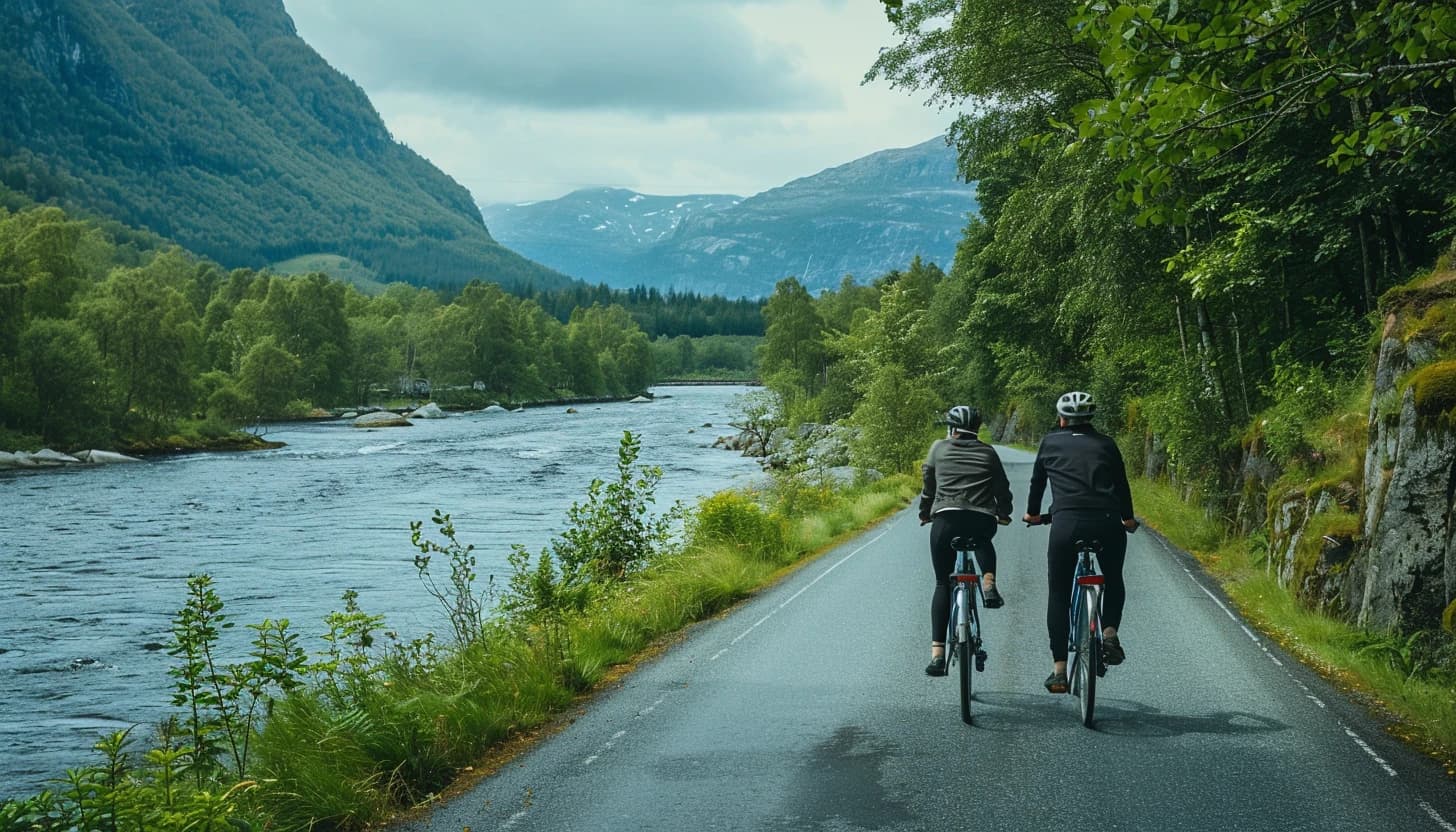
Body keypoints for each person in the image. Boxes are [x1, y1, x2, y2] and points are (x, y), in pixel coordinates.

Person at [1022, 391, 1138, 693]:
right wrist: (1127, 518)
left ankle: (1059, 670)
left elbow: (1037, 483)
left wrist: (1033, 514)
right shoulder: (1106, 444)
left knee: (1059, 593)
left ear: (1061, 419)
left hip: (1066, 524)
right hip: (1108, 522)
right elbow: (1121, 485)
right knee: (1113, 579)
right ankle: (1110, 632)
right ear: (1090, 418)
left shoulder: (1050, 442)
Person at [919, 405, 1013, 677]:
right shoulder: (988, 452)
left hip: (945, 521)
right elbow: (1002, 488)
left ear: (952, 429)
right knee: (982, 538)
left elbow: (929, 486)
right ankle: (988, 580)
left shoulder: (938, 448)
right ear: (977, 429)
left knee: (941, 583)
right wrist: (1004, 514)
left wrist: (925, 513)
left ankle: (937, 654)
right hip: (981, 519)